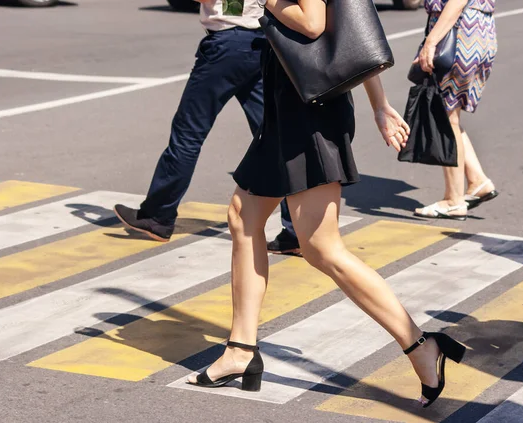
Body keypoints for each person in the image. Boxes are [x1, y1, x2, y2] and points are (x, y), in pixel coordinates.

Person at [187, 0, 466, 408]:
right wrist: (378, 104)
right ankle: (240, 351)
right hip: (291, 105)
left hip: (308, 113)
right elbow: (350, 27)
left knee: (322, 248)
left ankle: (421, 345)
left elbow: (315, 22)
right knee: (243, 217)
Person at [113, 0, 296, 242]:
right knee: (276, 135)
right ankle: (297, 231)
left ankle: (157, 215)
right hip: (260, 41)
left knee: (188, 133)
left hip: (226, 45)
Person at [414, 0, 498, 220]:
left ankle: (453, 200)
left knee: (444, 114)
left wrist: (431, 42)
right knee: (449, 112)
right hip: (476, 29)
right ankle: (477, 181)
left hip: (458, 30)